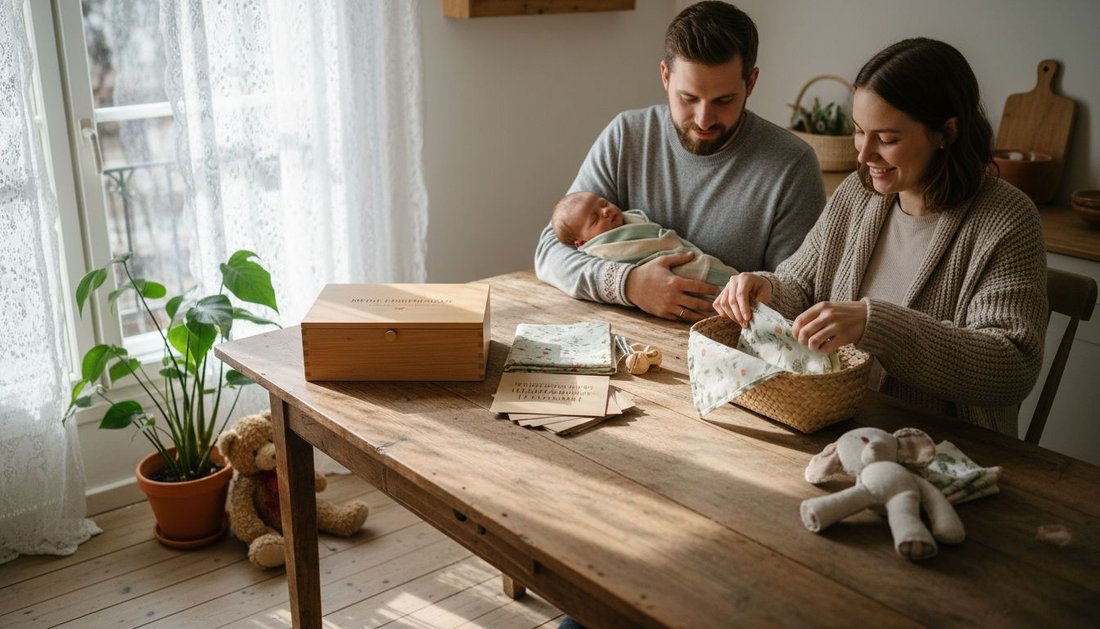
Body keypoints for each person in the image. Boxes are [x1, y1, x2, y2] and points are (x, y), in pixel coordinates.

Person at [714, 37, 1047, 436]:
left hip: (944, 446)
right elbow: (802, 285)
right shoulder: (858, 194)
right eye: (859, 132)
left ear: (946, 133)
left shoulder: (1007, 219)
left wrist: (876, 323)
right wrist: (765, 288)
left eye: (887, 139)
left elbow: (1012, 366)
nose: (864, 154)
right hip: (837, 422)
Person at [534, 1, 825, 324]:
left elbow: (802, 294)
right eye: (688, 98)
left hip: (729, 354)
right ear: (665, 77)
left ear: (751, 83)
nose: (703, 119)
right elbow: (550, 252)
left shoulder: (792, 166)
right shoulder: (627, 136)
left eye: (723, 100)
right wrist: (630, 284)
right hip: (623, 342)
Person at [551, 191, 739, 288]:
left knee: (732, 280)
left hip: (689, 257)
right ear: (582, 243)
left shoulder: (630, 219)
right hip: (679, 275)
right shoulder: (603, 250)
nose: (605, 211)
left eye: (603, 204)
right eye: (595, 218)